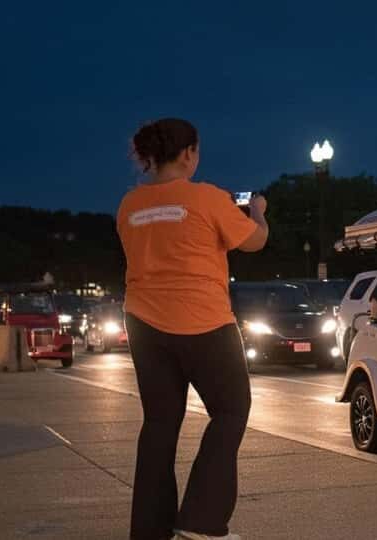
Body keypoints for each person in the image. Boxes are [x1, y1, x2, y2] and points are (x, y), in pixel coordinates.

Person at [118, 118, 268, 540]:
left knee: (160, 424)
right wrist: (257, 210)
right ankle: (202, 520)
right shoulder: (208, 198)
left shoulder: (129, 205)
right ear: (188, 154)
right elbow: (255, 241)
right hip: (204, 322)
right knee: (230, 411)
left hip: (145, 324)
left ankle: (149, 530)